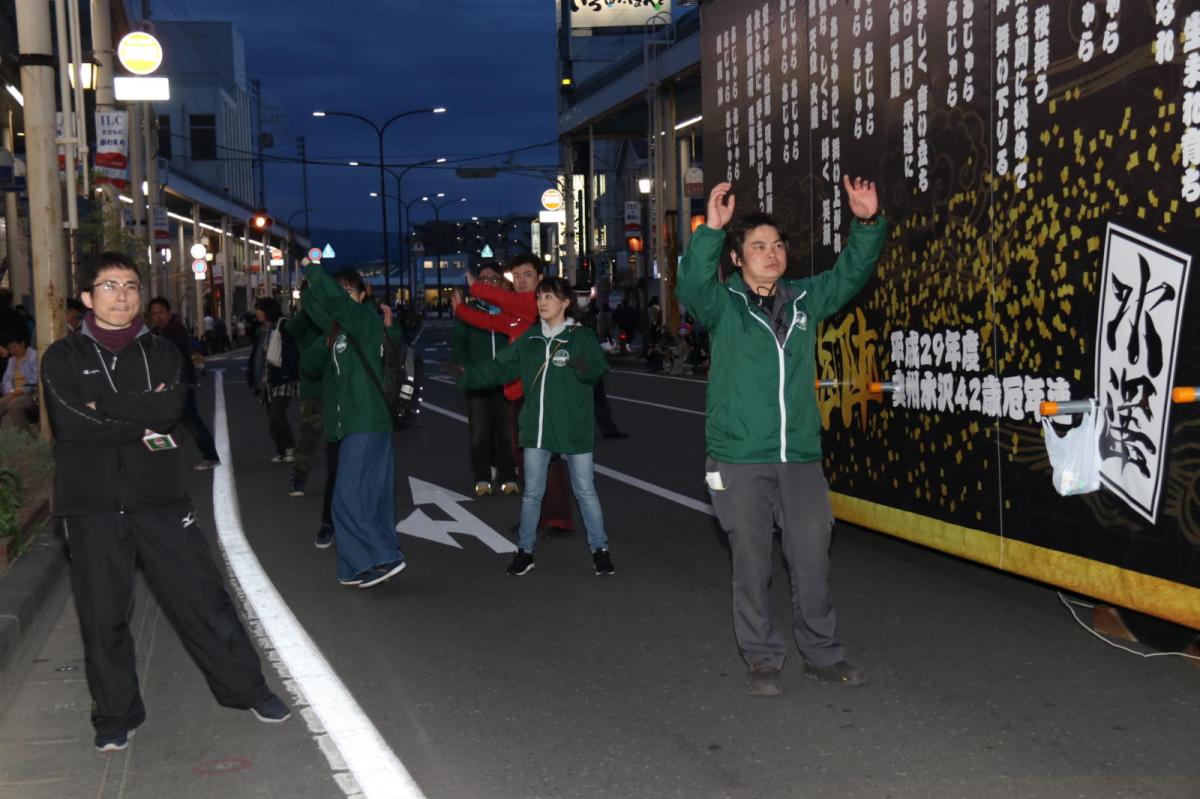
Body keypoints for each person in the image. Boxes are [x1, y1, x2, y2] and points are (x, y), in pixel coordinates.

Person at [40, 252, 289, 752]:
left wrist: (105, 409)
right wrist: (139, 416)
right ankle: (115, 714)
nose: (122, 295)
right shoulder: (61, 358)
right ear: (87, 298)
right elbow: (70, 424)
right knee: (102, 616)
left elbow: (170, 409)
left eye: (130, 285)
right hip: (91, 507)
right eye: (109, 286)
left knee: (203, 598)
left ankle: (247, 689)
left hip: (161, 500)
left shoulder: (162, 351)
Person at [677, 177, 887, 697]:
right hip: (739, 456)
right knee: (751, 562)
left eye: (777, 245)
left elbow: (851, 272)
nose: (772, 255)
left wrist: (865, 224)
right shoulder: (722, 304)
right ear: (737, 259)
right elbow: (690, 287)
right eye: (758, 247)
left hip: (800, 457)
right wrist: (711, 229)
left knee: (813, 556)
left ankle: (822, 652)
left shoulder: (804, 299)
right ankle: (761, 656)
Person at [452, 277, 615, 577]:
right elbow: (500, 367)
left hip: (573, 428)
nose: (541, 302)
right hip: (537, 427)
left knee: (586, 492)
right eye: (540, 297)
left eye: (549, 297)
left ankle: (600, 550)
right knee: (532, 495)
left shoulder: (580, 337)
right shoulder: (530, 339)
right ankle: (525, 551)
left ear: (565, 302)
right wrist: (467, 376)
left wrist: (583, 366)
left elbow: (597, 369)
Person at [300, 262, 407, 588]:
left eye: (350, 290)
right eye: (340, 288)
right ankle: (352, 566)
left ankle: (384, 555)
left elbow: (335, 303)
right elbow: (308, 365)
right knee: (372, 497)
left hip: (367, 420)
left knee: (345, 498)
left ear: (362, 296)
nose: (344, 295)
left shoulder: (363, 321)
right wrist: (309, 284)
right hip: (351, 426)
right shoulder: (338, 332)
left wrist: (316, 273)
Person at [452, 253, 577, 534]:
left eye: (527, 275)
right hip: (520, 392)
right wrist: (462, 311)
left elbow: (506, 302)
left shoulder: (537, 304)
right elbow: (493, 323)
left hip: (539, 391)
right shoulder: (522, 310)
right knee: (524, 457)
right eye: (517, 277)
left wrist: (476, 286)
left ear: (540, 278)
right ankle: (540, 515)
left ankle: (557, 518)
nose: (521, 282)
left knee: (544, 457)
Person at [451, 263, 518, 497]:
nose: (488, 283)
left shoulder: (510, 309)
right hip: (478, 380)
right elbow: (458, 343)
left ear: (502, 282)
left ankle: (508, 476)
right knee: (479, 432)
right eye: (483, 279)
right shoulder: (469, 311)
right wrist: (464, 369)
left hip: (506, 380)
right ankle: (482, 477)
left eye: (493, 279)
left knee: (508, 431)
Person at [147, 297, 220, 470]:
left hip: (180, 384)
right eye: (154, 314)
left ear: (168, 312)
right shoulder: (158, 331)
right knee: (169, 422)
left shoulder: (175, 330)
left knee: (188, 421)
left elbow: (174, 356)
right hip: (170, 385)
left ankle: (209, 456)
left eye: (161, 312)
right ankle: (163, 460)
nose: (158, 316)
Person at [247, 297, 299, 463]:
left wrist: (288, 372)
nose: (258, 315)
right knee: (272, 416)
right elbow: (256, 356)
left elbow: (291, 350)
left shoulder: (283, 325)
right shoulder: (261, 330)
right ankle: (282, 450)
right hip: (266, 378)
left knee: (277, 413)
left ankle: (289, 447)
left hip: (280, 376)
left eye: (260, 312)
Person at [0, 331, 38, 431]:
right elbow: (6, 380)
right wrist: (11, 392)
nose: (13, 350)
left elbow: (35, 381)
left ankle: (27, 439)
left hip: (32, 394)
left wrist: (21, 391)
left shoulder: (34, 356)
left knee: (13, 405)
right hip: (15, 393)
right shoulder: (11, 360)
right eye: (10, 348)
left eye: (14, 346)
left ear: (22, 343)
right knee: (1, 403)